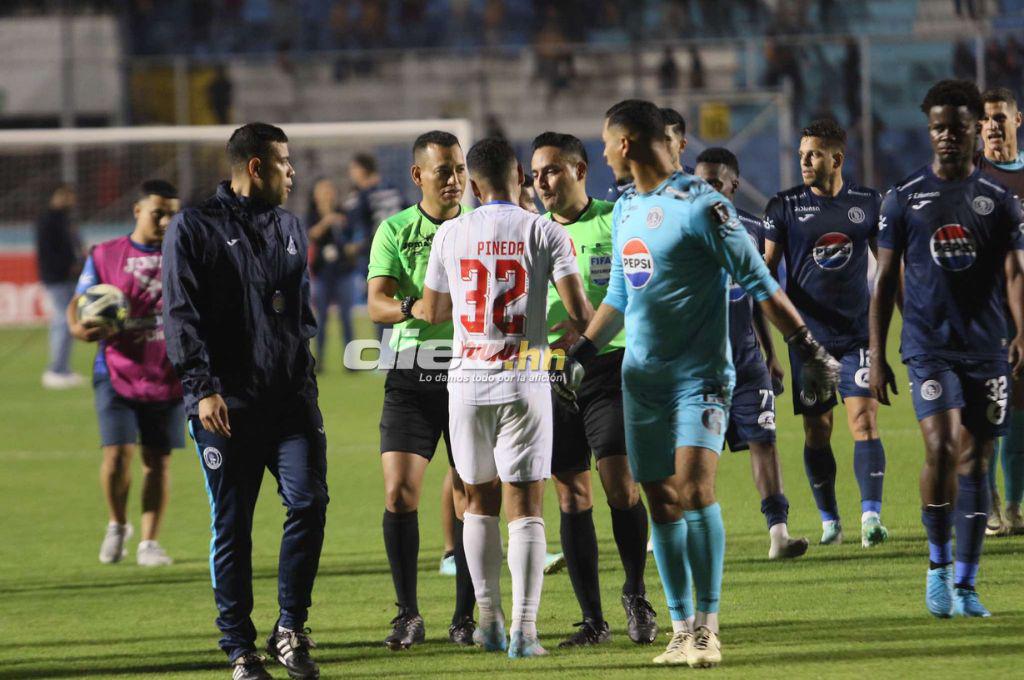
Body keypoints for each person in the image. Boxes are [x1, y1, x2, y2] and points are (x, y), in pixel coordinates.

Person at [556, 100, 838, 668]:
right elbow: (619, 296)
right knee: (659, 500)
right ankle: (681, 627)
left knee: (695, 490)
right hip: (642, 382)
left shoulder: (703, 207)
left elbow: (761, 283)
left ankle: (709, 626)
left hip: (700, 378)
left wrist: (807, 346)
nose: (604, 151)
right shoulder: (628, 208)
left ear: (627, 143)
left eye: (607, 142)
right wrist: (583, 349)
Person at [417, 136, 593, 658]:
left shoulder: (450, 233)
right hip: (524, 379)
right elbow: (581, 313)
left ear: (472, 184)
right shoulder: (543, 231)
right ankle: (525, 630)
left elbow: (432, 309)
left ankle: (488, 622)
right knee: (527, 507)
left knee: (477, 504)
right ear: (520, 173)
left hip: (466, 383)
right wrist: (555, 343)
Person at [163, 122, 328, 680]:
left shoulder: (289, 225)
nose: (293, 172)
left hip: (289, 402)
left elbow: (297, 316)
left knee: (309, 502)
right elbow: (180, 315)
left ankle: (291, 629)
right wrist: (202, 388)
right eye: (285, 162)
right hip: (225, 405)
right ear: (256, 167)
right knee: (233, 524)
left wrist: (305, 385)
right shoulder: (193, 226)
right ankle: (239, 647)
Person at [870, 79, 1024, 619]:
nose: (948, 137)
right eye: (938, 127)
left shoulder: (1000, 201)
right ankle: (936, 568)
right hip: (927, 345)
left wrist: (1020, 331)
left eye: (958, 127)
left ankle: (967, 582)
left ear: (975, 129)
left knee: (976, 460)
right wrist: (877, 353)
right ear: (929, 130)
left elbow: (1013, 271)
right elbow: (885, 281)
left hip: (985, 346)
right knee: (939, 446)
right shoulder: (904, 198)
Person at [530, 131, 659, 648]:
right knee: (571, 494)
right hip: (552, 376)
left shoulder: (616, 218)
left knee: (620, 484)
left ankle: (635, 592)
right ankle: (593, 620)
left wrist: (588, 334)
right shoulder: (530, 234)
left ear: (580, 170)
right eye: (536, 174)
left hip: (610, 366)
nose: (542, 182)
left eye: (552, 170)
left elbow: (637, 290)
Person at [366, 130, 476, 650]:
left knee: (470, 495)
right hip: (410, 372)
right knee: (399, 492)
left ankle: (465, 615)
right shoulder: (394, 229)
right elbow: (375, 303)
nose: (454, 180)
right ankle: (408, 613)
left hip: (470, 372)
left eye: (459, 169)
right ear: (418, 176)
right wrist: (416, 308)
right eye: (443, 171)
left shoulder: (479, 227)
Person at [763, 118, 890, 548]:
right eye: (801, 155)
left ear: (837, 157)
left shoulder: (869, 203)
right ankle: (830, 520)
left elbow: (889, 273)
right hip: (809, 341)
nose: (804, 161)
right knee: (818, 431)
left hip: (858, 334)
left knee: (864, 421)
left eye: (813, 154)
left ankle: (871, 518)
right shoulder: (782, 207)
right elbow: (765, 275)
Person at [694, 148, 809, 559]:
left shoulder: (753, 230)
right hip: (697, 365)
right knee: (696, 452)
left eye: (713, 182)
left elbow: (759, 295)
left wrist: (771, 353)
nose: (704, 188)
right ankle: (677, 531)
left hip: (745, 358)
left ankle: (778, 533)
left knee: (765, 440)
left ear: (733, 185)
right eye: (699, 180)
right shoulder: (683, 229)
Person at [68, 179, 183, 567]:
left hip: (167, 372)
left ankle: (149, 542)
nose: (167, 220)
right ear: (137, 211)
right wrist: (79, 328)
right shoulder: (105, 254)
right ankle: (118, 524)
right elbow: (79, 302)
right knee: (117, 455)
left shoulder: (183, 254)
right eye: (158, 212)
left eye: (172, 213)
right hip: (115, 369)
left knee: (158, 460)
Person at [976, 87, 1024, 535]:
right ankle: (989, 505)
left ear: (1017, 120)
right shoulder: (971, 175)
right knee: (990, 411)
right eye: (985, 119)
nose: (991, 125)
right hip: (985, 313)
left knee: (1021, 413)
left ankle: (1014, 506)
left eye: (998, 117)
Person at [347, 152, 408, 340]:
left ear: (362, 170)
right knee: (404, 305)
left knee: (380, 305)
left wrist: (355, 247)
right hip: (404, 253)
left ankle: (386, 359)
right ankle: (404, 352)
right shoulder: (393, 189)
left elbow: (358, 228)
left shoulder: (363, 196)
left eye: (353, 169)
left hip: (379, 256)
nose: (351, 174)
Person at [36, 184, 84, 389]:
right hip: (57, 278)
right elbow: (47, 253)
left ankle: (62, 368)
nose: (72, 201)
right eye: (69, 196)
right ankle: (56, 370)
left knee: (65, 321)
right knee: (63, 322)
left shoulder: (66, 220)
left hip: (66, 277)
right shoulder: (49, 220)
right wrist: (67, 266)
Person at [306, 177, 357, 371]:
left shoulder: (343, 213)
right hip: (322, 274)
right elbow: (311, 234)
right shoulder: (312, 215)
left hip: (343, 272)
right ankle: (319, 362)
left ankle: (351, 362)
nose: (327, 193)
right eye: (323, 190)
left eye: (329, 189)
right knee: (321, 320)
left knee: (346, 317)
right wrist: (327, 220)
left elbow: (351, 236)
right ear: (316, 194)